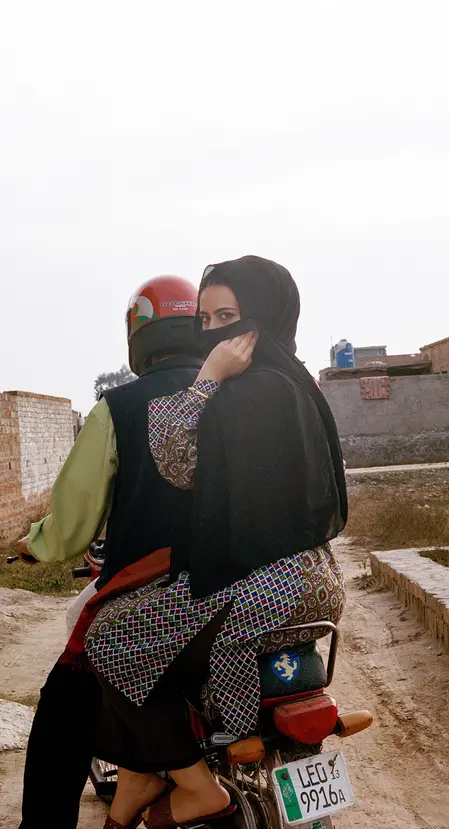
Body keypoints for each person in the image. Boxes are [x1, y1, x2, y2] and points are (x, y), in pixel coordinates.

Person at [79, 256, 348, 829]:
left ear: (263, 315)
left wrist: (207, 378)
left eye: (228, 315)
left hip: (261, 588)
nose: (216, 332)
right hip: (315, 584)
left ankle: (192, 785)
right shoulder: (298, 384)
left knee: (111, 638)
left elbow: (173, 457)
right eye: (205, 320)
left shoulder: (247, 395)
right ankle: (160, 772)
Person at [17, 274, 203, 829]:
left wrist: (37, 543)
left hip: (148, 596)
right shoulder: (241, 397)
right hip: (246, 589)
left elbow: (73, 526)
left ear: (139, 335)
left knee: (61, 713)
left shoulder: (117, 409)